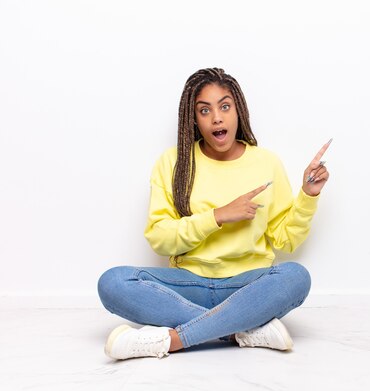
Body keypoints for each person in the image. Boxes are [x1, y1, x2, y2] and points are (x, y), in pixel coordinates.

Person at [97, 68, 330, 360]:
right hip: (187, 285)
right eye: (204, 110)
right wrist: (217, 216)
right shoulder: (173, 162)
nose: (216, 117)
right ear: (193, 119)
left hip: (247, 285)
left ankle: (174, 340)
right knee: (113, 283)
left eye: (224, 106)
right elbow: (159, 238)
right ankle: (240, 329)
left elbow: (285, 240)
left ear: (238, 111)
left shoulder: (266, 162)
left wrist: (309, 195)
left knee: (296, 277)